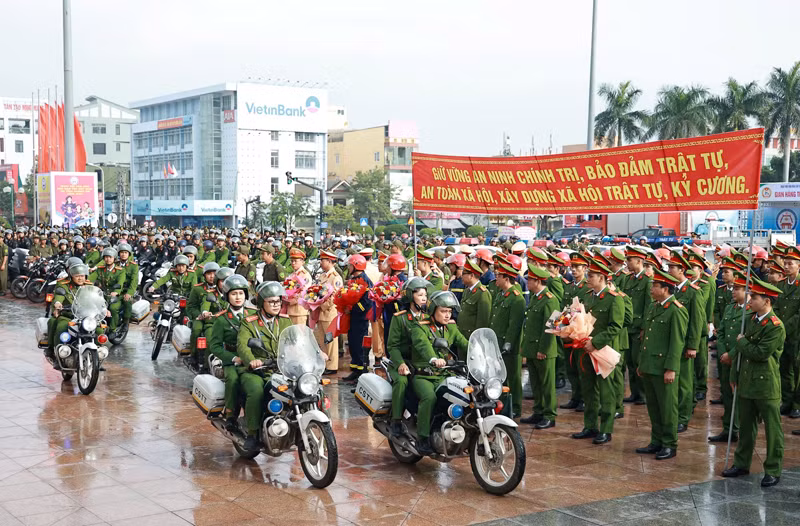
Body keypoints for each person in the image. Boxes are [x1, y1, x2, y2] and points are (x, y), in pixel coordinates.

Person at [722, 278, 786, 487]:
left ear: (767, 301)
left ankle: (773, 469)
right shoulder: (750, 320)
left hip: (765, 384)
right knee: (746, 427)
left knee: (772, 430)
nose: (750, 301)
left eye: (754, 298)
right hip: (747, 381)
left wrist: (741, 342)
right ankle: (741, 463)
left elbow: (760, 353)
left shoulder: (775, 326)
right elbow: (741, 354)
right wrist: (734, 376)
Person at [635, 268, 688, 460]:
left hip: (663, 367)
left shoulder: (676, 310)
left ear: (665, 289)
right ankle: (656, 440)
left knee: (667, 408)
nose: (651, 289)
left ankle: (669, 443)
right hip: (650, 364)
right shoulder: (654, 307)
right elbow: (647, 339)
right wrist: (642, 363)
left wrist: (671, 368)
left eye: (655, 286)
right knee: (654, 407)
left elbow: (677, 343)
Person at [409, 291, 468, 454]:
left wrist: (480, 352)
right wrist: (434, 358)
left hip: (445, 374)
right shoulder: (420, 327)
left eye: (449, 311)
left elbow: (464, 343)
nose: (447, 315)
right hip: (424, 375)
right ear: (433, 310)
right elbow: (423, 346)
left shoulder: (451, 327)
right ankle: (422, 438)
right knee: (429, 397)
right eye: (443, 311)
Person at [572, 259, 624, 445]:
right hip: (585, 350)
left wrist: (595, 342)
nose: (588, 278)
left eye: (591, 276)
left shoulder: (614, 298)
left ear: (601, 278)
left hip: (603, 351)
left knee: (606, 391)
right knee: (588, 390)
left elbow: (615, 326)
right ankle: (590, 425)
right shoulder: (587, 296)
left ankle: (606, 429)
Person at [236, 281, 293, 451]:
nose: (276, 305)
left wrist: (317, 352)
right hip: (257, 370)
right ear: (261, 302)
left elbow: (296, 341)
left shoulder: (285, 321)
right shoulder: (249, 322)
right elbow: (243, 346)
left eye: (278, 301)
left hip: (281, 368)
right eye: (271, 301)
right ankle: (252, 433)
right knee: (256, 390)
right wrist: (251, 361)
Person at [209, 274, 255, 432]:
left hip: (252, 357)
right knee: (233, 379)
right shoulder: (221, 319)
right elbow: (214, 346)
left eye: (241, 293)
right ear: (227, 296)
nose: (238, 297)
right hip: (233, 359)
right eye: (234, 294)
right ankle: (230, 415)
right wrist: (233, 358)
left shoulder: (253, 314)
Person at [666, 251, 704, 432]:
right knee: (674, 383)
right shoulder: (671, 290)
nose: (669, 270)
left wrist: (692, 346)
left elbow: (697, 321)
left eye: (672, 268)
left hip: (685, 343)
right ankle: (674, 414)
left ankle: (683, 417)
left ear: (681, 270)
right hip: (672, 342)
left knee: (685, 383)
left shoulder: (693, 292)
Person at [709, 270, 749, 443]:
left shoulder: (750, 311)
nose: (733, 291)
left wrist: (731, 354)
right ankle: (728, 429)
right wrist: (722, 351)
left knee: (737, 395)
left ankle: (738, 428)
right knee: (726, 393)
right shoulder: (729, 307)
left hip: (739, 358)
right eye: (734, 288)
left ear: (747, 291)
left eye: (738, 289)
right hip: (725, 357)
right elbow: (722, 332)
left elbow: (748, 337)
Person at [386, 277, 429, 437]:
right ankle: (396, 420)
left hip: (421, 362)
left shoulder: (428, 318)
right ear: (411, 297)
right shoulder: (400, 318)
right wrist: (400, 364)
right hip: (402, 361)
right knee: (402, 381)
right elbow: (393, 346)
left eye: (425, 295)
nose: (424, 298)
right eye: (420, 295)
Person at [520, 265, 560, 429]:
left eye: (529, 279)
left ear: (537, 281)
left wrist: (543, 349)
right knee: (536, 383)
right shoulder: (536, 297)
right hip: (532, 348)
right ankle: (538, 411)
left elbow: (553, 327)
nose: (527, 282)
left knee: (547, 385)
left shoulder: (551, 299)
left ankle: (549, 414)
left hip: (544, 350)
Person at [489, 261, 526, 417]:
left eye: (498, 276)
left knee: (513, 377)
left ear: (506, 278)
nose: (495, 278)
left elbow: (514, 325)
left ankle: (515, 407)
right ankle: (502, 404)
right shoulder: (501, 294)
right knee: (500, 377)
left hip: (509, 345)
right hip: (497, 342)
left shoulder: (517, 299)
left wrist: (508, 343)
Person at [47, 262, 96, 367]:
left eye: (82, 276)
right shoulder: (64, 285)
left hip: (86, 317)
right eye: (77, 276)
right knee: (61, 328)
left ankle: (97, 357)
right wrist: (58, 303)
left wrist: (104, 309)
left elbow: (96, 299)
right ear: (71, 276)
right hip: (68, 316)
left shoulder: (89, 286)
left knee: (99, 330)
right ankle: (58, 355)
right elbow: (59, 296)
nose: (80, 278)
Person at [561, 252, 591, 412]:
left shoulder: (587, 287)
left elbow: (585, 311)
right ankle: (575, 397)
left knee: (582, 368)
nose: (573, 269)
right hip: (569, 333)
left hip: (581, 333)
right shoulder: (569, 287)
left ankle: (585, 399)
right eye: (572, 266)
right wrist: (558, 328)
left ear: (585, 268)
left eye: (577, 267)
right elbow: (564, 309)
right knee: (571, 368)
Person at [622, 246, 652, 405]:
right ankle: (635, 392)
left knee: (637, 360)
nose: (627, 262)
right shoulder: (628, 279)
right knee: (630, 362)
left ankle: (642, 393)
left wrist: (644, 328)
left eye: (629, 260)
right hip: (628, 326)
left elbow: (649, 306)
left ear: (639, 261)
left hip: (639, 326)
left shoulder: (648, 280)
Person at [774, 245, 800, 418]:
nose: (786, 266)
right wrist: (777, 325)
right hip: (783, 334)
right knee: (784, 369)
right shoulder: (781, 284)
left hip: (796, 335)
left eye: (791, 263)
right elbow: (776, 306)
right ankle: (787, 400)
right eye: (785, 263)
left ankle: (797, 404)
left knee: (797, 371)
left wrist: (783, 327)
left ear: (799, 265)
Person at [187, 262, 224, 371]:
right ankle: (193, 354)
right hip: (199, 316)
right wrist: (199, 314)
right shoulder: (197, 289)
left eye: (214, 274)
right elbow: (191, 306)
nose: (212, 276)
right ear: (204, 275)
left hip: (214, 318)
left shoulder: (223, 289)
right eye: (209, 274)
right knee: (197, 329)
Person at [343, 254, 374, 382]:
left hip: (361, 319)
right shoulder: (354, 279)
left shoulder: (365, 281)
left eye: (350, 265)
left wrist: (352, 309)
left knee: (360, 345)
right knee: (353, 344)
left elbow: (367, 303)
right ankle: (355, 369)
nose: (348, 268)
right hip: (353, 318)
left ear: (356, 266)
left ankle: (362, 371)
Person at [315, 250, 343, 375]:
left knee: (330, 340)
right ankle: (325, 363)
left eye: (323, 260)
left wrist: (322, 305)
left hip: (329, 312)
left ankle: (332, 365)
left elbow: (336, 296)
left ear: (330, 261)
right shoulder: (323, 276)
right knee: (322, 340)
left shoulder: (335, 277)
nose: (321, 263)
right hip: (321, 313)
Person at [89, 248, 126, 332]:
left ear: (114, 258)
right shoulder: (100, 269)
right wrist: (85, 284)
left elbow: (120, 283)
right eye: (106, 257)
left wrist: (116, 292)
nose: (108, 259)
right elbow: (91, 279)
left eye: (110, 257)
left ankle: (113, 329)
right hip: (102, 294)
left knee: (113, 308)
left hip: (116, 296)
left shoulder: (120, 271)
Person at [457, 259, 492, 340]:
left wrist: (479, 338)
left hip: (473, 337)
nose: (461, 276)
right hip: (463, 335)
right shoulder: (467, 291)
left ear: (471, 275)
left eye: (464, 274)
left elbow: (484, 320)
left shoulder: (482, 293)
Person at [286, 248, 311, 326]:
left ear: (302, 262)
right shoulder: (292, 274)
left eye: (295, 261)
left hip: (299, 310)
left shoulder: (305, 275)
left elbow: (304, 292)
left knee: (299, 332)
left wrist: (291, 301)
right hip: (291, 310)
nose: (293, 263)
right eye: (292, 261)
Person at [116, 243, 138, 326]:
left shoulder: (133, 266)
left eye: (126, 252)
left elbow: (134, 280)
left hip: (127, 289)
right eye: (122, 252)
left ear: (129, 254)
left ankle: (126, 322)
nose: (123, 254)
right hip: (115, 289)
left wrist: (129, 293)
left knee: (127, 301)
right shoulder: (115, 264)